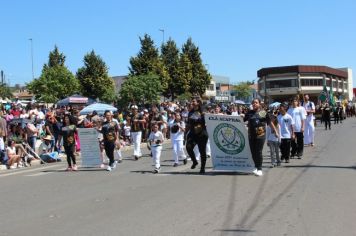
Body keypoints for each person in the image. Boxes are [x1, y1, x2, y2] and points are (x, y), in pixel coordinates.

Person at [243, 98, 269, 176]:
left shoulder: (262, 112)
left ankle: (259, 168)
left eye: (256, 102)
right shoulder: (250, 113)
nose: (254, 104)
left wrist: (276, 132)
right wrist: (241, 116)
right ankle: (255, 167)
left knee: (258, 151)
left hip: (260, 135)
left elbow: (269, 122)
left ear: (259, 104)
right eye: (253, 103)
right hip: (251, 135)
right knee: (253, 152)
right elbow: (243, 120)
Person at [186, 97, 209, 174]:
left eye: (193, 101)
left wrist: (197, 119)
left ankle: (202, 168)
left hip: (201, 133)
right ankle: (195, 161)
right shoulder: (191, 111)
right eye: (191, 101)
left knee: (202, 151)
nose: (192, 102)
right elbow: (189, 121)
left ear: (198, 102)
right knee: (188, 147)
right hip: (193, 133)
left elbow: (204, 119)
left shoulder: (203, 110)